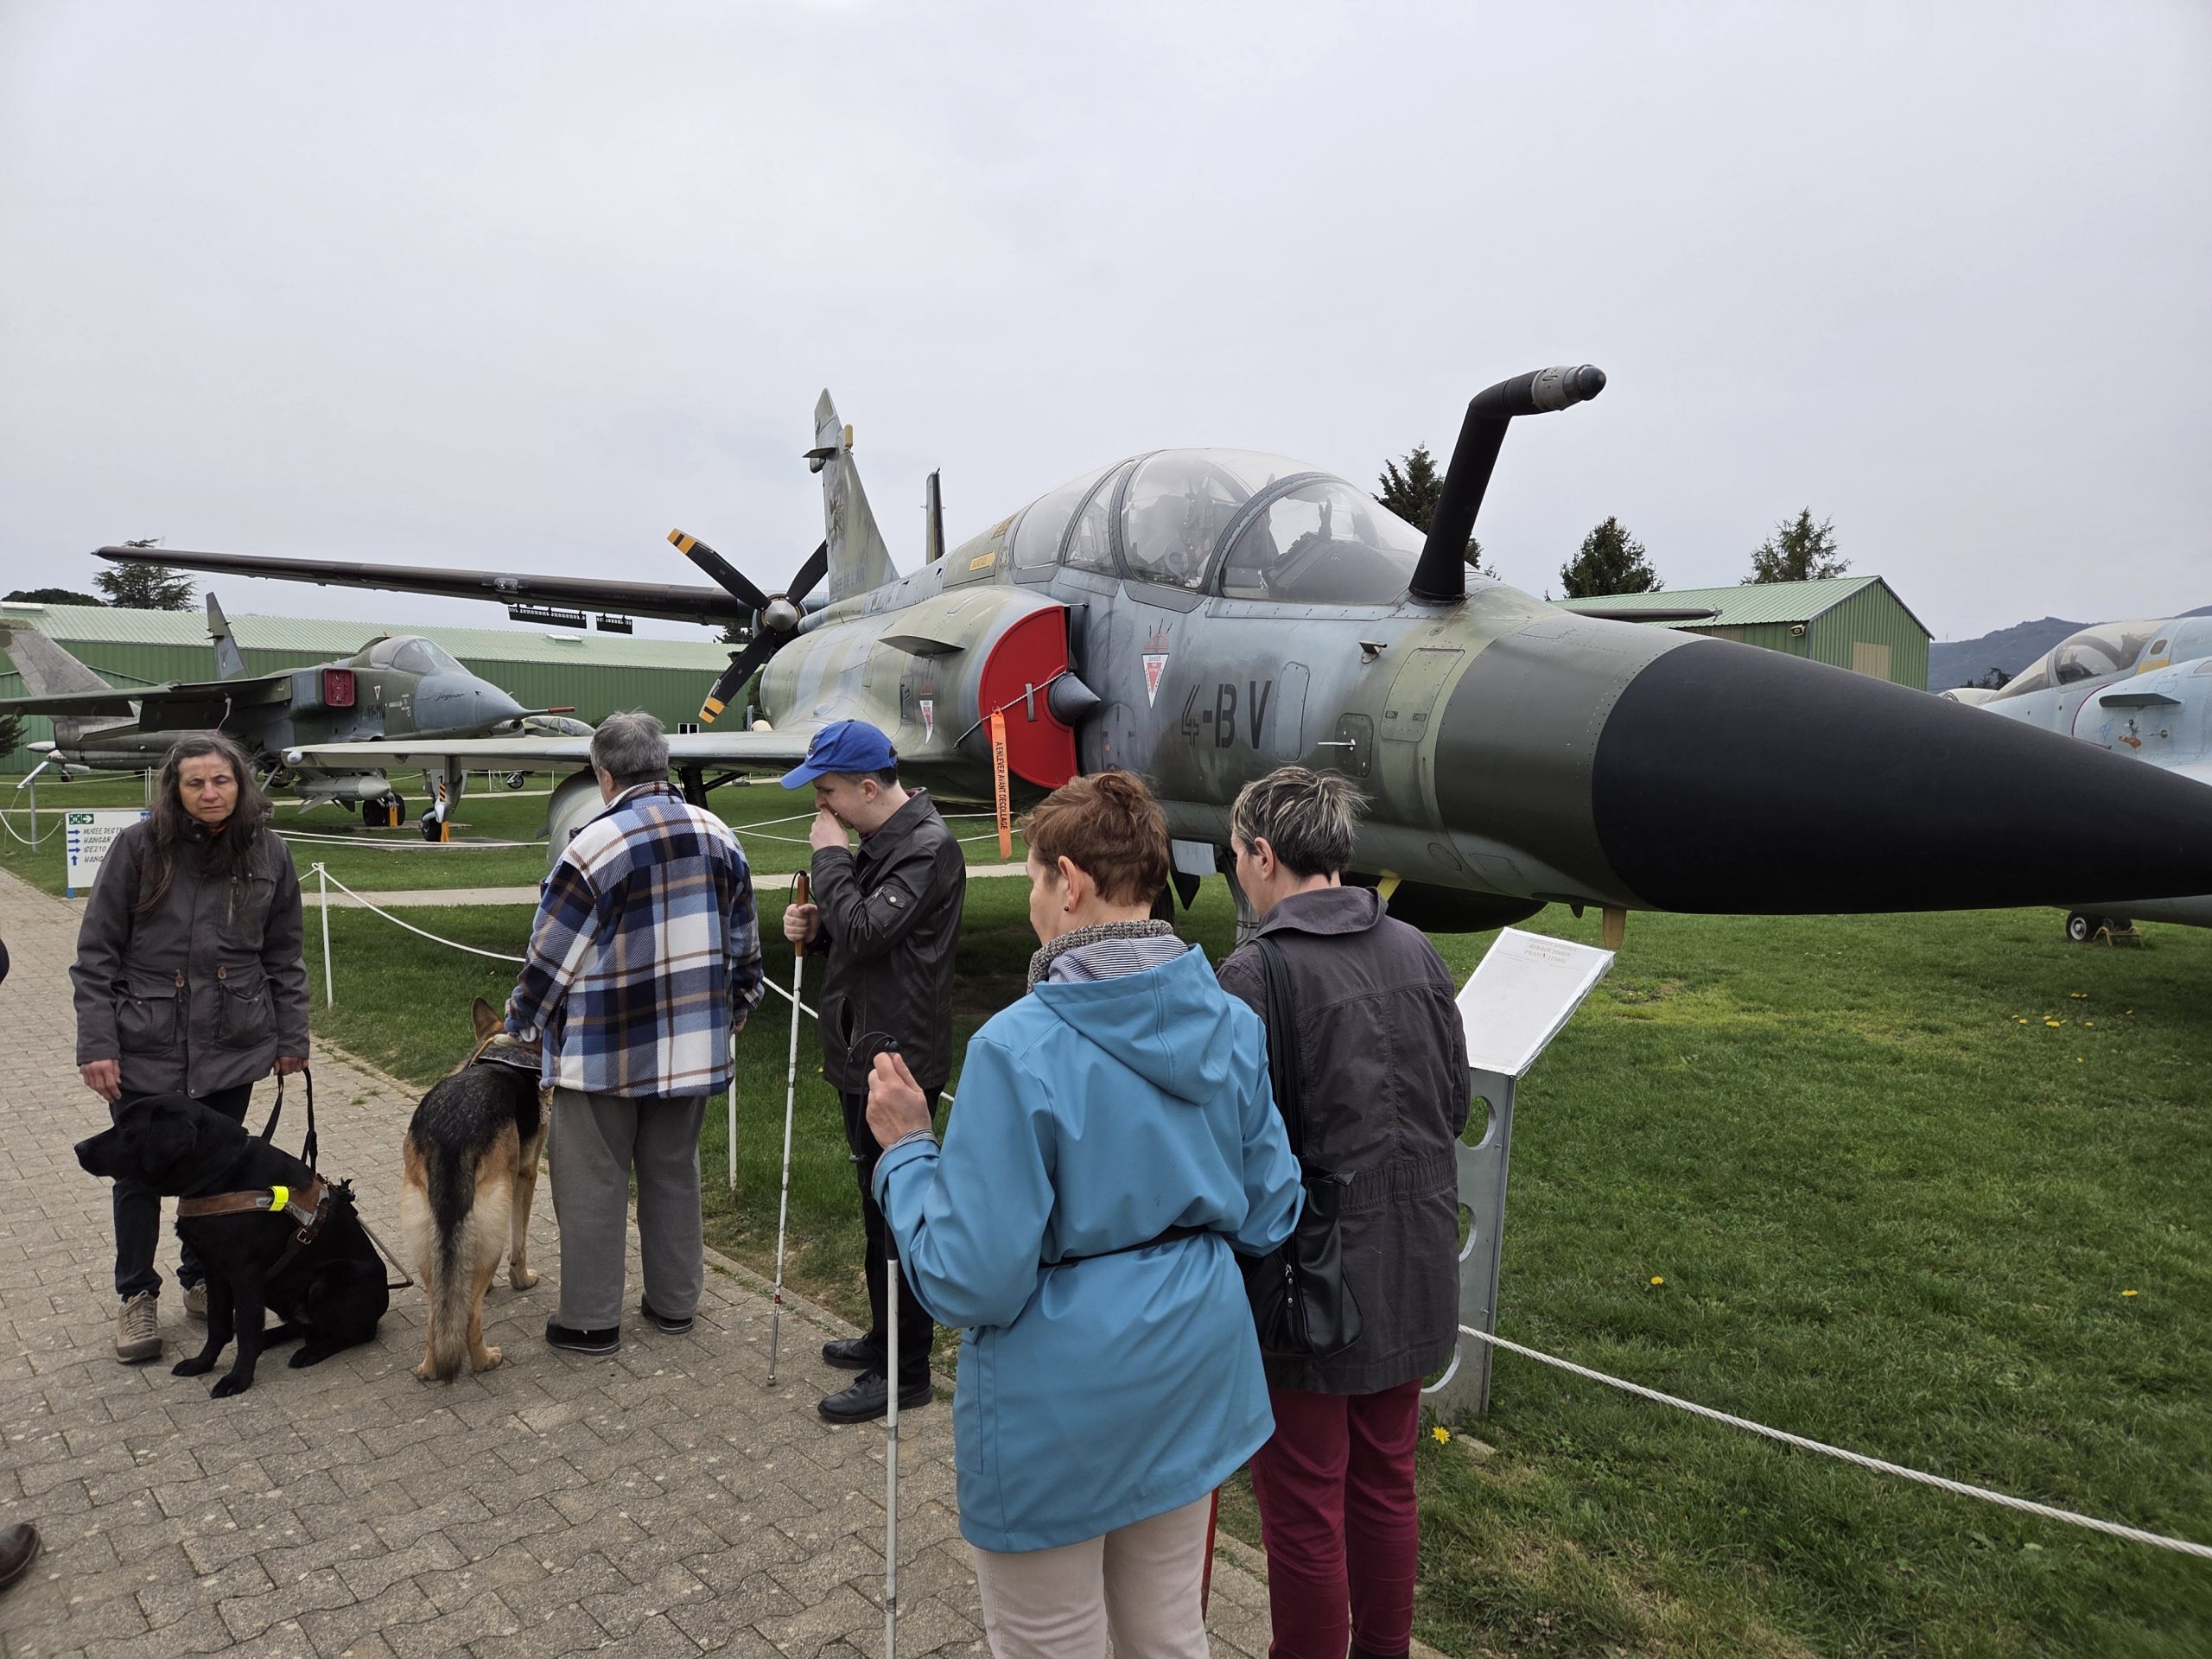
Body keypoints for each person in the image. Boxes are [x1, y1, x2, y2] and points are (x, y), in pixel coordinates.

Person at [865, 770, 1302, 1656]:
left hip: (1060, 1406)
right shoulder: (1229, 1020)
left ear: (1069, 882)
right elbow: (1268, 1210)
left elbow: (969, 1278)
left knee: (1051, 1640)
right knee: (1170, 1631)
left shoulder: (1014, 1049)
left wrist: (908, 1151)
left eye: (1032, 879)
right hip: (1193, 1372)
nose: (1030, 900)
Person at [1214, 767, 1470, 1659]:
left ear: (1263, 854)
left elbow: (1229, 1146)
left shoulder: (1253, 973)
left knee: (1306, 1506)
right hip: (1415, 1261)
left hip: (1307, 1284)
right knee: (1385, 1482)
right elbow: (1453, 1099)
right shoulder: (1416, 948)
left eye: (1238, 853)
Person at [505, 712, 763, 1356]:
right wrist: (739, 1004)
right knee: (674, 1173)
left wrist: (521, 1025)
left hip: (601, 1055)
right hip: (694, 1049)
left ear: (605, 773)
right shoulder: (719, 833)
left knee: (592, 1183)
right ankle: (675, 1305)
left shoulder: (591, 846)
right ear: (663, 764)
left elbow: (549, 958)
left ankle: (591, 1323)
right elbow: (744, 944)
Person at [71, 733, 310, 1364]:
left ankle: (199, 1277)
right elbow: (95, 955)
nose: (210, 792)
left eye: (222, 780)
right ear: (175, 790)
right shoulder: (137, 849)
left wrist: (292, 1037)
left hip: (233, 1042)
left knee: (216, 1174)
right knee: (137, 1176)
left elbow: (284, 956)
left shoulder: (271, 852)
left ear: (241, 784)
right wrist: (97, 1043)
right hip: (144, 1043)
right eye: (195, 782)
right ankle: (136, 1295)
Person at [779, 718, 965, 1423]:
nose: (821, 809)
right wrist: (816, 927)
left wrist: (828, 869)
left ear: (866, 786)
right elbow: (858, 936)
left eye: (827, 794)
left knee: (901, 1218)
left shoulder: (926, 848)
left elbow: (867, 927)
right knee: (874, 1208)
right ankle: (884, 1339)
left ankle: (906, 1372)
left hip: (898, 1061)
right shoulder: (879, 842)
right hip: (864, 1049)